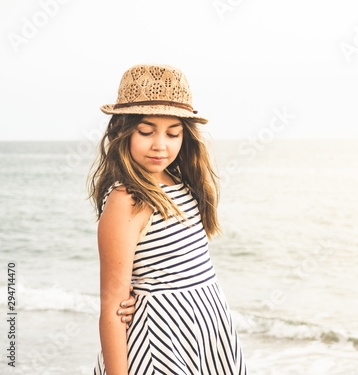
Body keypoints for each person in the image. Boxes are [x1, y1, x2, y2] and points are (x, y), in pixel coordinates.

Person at [89, 64, 247, 375]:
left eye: (173, 133)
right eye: (146, 131)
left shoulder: (183, 186)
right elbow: (112, 307)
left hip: (203, 334)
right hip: (160, 342)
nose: (160, 144)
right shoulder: (128, 199)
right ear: (122, 130)